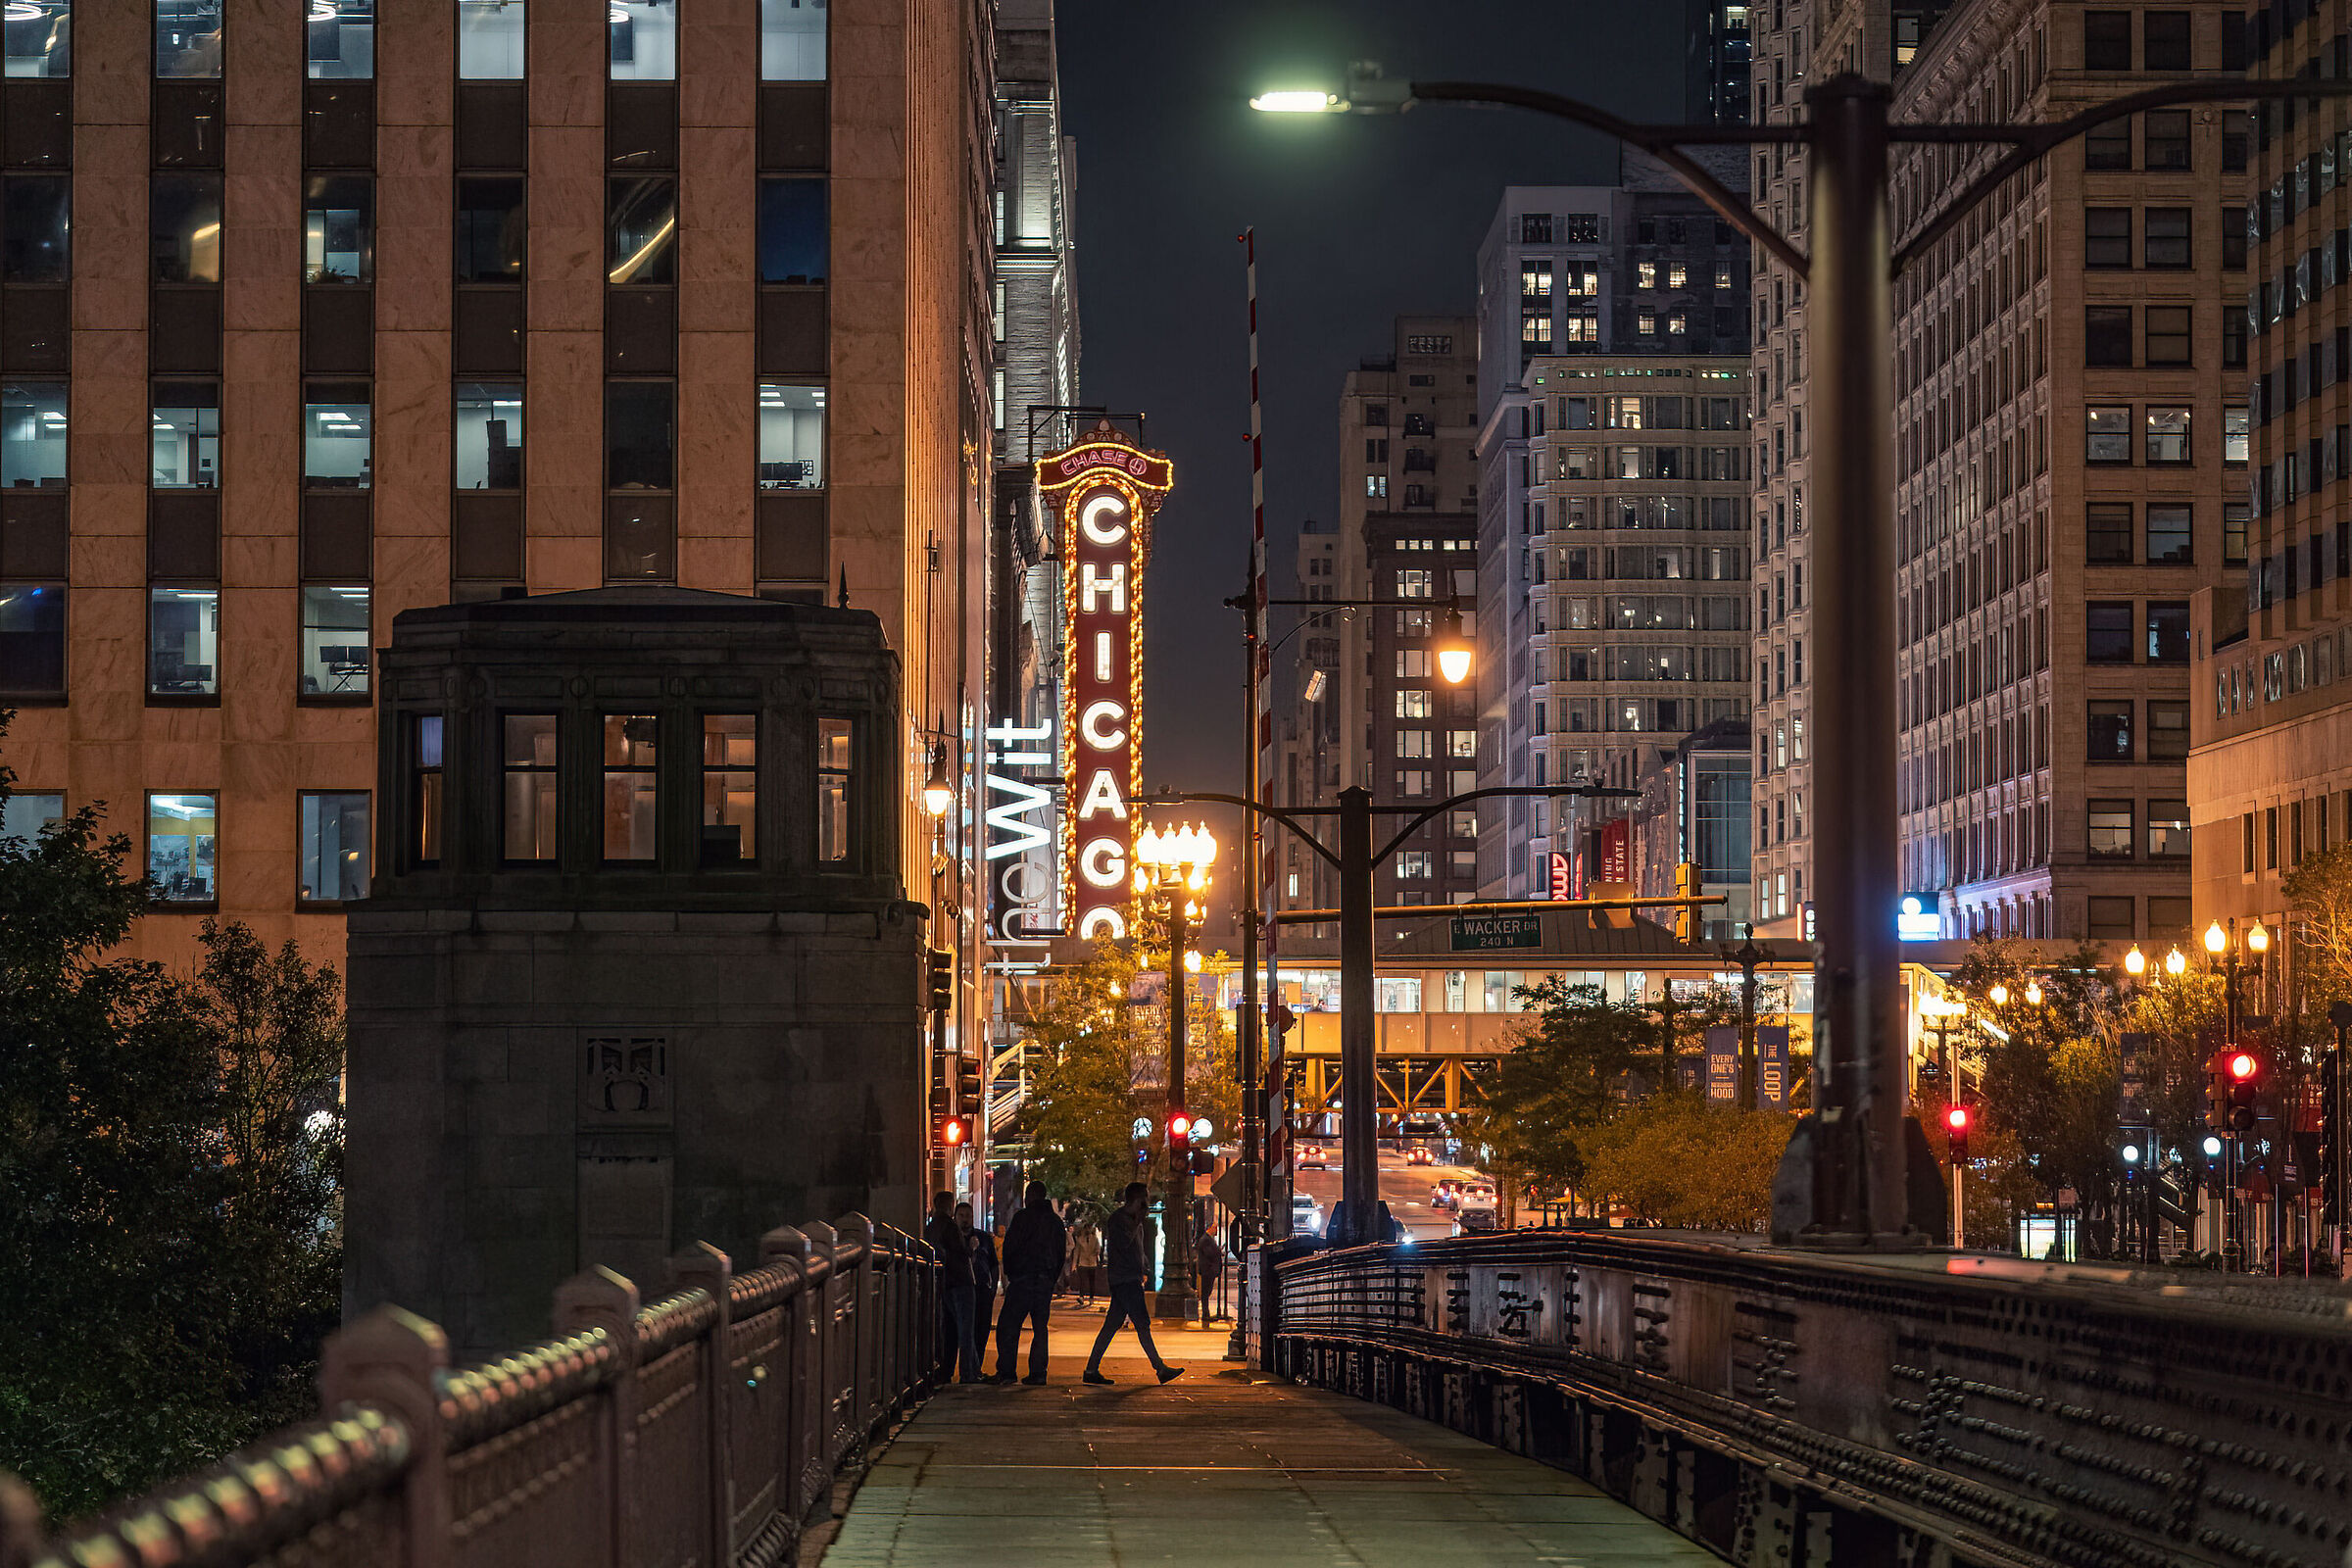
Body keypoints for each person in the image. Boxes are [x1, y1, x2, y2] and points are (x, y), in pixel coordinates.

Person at [1082, 1182, 1183, 1386]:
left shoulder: (1136, 1221)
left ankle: (1091, 1368)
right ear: (1138, 1200)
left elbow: (1139, 1250)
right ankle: (1160, 1368)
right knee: (1142, 1324)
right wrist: (1138, 1222)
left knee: (1111, 1325)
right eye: (1145, 1198)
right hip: (1124, 1280)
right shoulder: (1119, 1220)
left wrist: (1144, 1268)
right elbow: (1124, 1245)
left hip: (1130, 1278)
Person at [989, 1181, 1067, 1385]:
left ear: (1030, 1196)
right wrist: (1052, 1278)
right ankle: (1038, 1372)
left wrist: (1011, 1274)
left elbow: (1011, 1247)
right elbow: (1060, 1254)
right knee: (1040, 1328)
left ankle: (1007, 1370)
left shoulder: (1022, 1218)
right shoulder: (1055, 1222)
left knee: (1009, 1325)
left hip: (1023, 1279)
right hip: (1044, 1280)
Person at [925, 1191, 980, 1384]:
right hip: (961, 1280)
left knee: (950, 1329)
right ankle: (969, 1373)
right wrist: (971, 1247)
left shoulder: (931, 1227)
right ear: (950, 1207)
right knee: (966, 1329)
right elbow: (960, 1251)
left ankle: (965, 1370)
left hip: (945, 1282)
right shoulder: (949, 1226)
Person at [958, 1200, 999, 1341]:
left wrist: (992, 1289)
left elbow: (993, 1264)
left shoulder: (984, 1238)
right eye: (961, 1216)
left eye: (968, 1216)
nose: (965, 1219)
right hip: (960, 1291)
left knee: (981, 1333)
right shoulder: (953, 1239)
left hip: (982, 1291)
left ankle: (977, 1362)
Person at [1069, 1214, 1102, 1305]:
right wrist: (1074, 1265)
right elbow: (1076, 1252)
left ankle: (1091, 1297)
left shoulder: (1095, 1239)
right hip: (1082, 1263)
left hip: (1092, 1263)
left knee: (1092, 1281)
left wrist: (1096, 1254)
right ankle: (1082, 1297)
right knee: (1082, 1281)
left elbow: (1098, 1249)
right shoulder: (1080, 1239)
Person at [1196, 1227, 1227, 1324]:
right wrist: (1218, 1250)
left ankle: (1206, 1314)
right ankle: (1205, 1315)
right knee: (1205, 1292)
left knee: (1207, 1292)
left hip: (1208, 1270)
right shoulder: (1205, 1239)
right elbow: (1209, 1253)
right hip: (1207, 1270)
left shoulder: (1208, 1239)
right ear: (1210, 1228)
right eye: (1215, 1228)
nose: (1216, 1230)